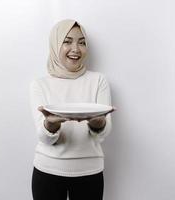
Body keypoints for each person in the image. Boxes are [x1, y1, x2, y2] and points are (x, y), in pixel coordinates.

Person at [29, 19, 114, 200]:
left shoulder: (99, 80)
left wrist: (98, 123)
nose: (76, 49)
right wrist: (50, 125)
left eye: (81, 42)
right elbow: (44, 137)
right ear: (55, 44)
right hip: (47, 171)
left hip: (89, 172)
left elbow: (103, 134)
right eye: (67, 41)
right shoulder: (40, 84)